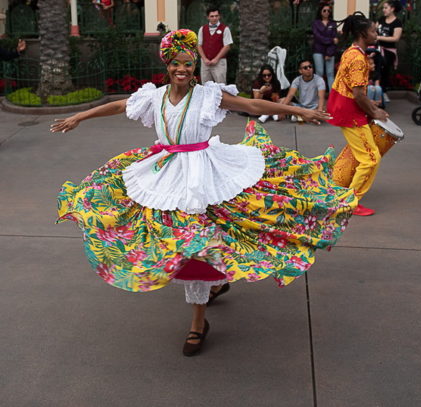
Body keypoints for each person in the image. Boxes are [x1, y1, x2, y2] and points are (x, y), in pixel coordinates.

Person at [51, 29, 357, 357]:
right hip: (168, 173)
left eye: (187, 63)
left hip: (206, 173)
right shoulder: (153, 97)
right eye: (175, 63)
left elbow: (252, 104)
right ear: (167, 66)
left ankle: (198, 322)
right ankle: (214, 283)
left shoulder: (208, 95)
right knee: (169, 234)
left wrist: (301, 111)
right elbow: (118, 105)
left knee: (207, 237)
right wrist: (80, 116)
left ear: (194, 66)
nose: (181, 69)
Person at [327, 12, 390, 216]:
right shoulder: (358, 59)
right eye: (372, 30)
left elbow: (353, 90)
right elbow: (357, 94)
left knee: (359, 154)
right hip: (350, 112)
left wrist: (368, 104)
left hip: (346, 108)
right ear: (363, 33)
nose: (376, 33)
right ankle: (350, 202)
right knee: (371, 158)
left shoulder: (351, 52)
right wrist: (375, 111)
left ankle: (338, 189)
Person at [197, 6, 233, 84]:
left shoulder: (225, 29)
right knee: (205, 86)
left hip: (219, 62)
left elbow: (227, 46)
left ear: (219, 16)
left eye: (216, 16)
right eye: (212, 16)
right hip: (205, 63)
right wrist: (204, 59)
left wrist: (216, 59)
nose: (214, 18)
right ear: (208, 17)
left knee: (221, 86)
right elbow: (199, 45)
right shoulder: (202, 29)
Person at [376, 0, 403, 95]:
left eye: (386, 8)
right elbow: (374, 31)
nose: (384, 10)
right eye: (383, 8)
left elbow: (395, 38)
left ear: (392, 9)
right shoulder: (381, 20)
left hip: (388, 51)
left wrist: (379, 37)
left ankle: (383, 93)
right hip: (377, 49)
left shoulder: (397, 22)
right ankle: (376, 92)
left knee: (385, 72)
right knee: (376, 70)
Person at [312, 2, 339, 91]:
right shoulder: (316, 23)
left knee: (330, 73)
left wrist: (329, 53)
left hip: (330, 51)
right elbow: (318, 37)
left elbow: (335, 40)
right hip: (318, 50)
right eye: (324, 10)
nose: (327, 12)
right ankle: (319, 94)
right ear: (320, 12)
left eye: (328, 11)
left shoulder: (333, 23)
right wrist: (331, 40)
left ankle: (332, 96)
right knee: (319, 73)